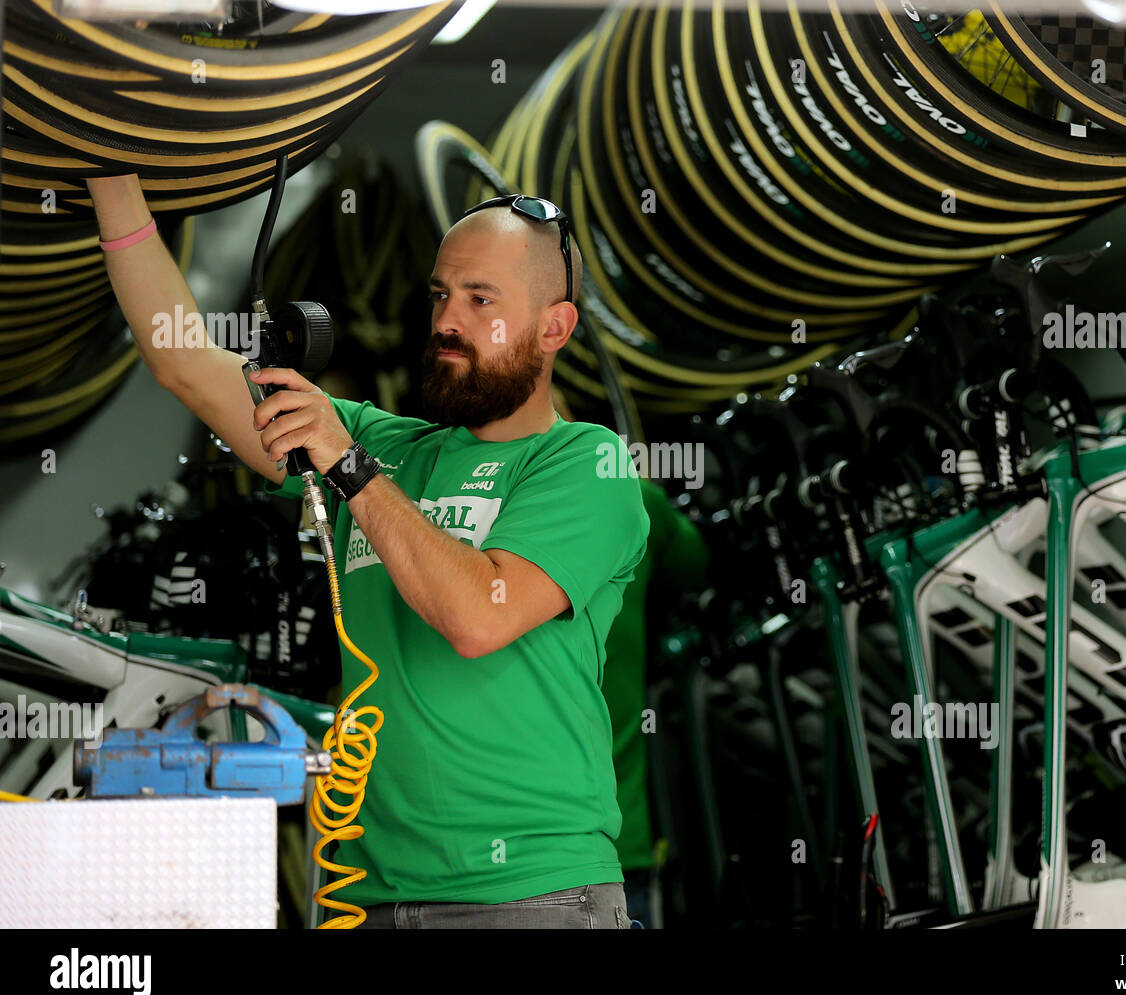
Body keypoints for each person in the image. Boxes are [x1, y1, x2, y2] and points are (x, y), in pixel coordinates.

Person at [88, 175, 649, 930]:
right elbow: (182, 360)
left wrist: (349, 465)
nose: (447, 321)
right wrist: (112, 181)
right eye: (440, 295)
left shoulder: (585, 462)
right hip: (372, 896)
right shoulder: (389, 447)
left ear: (554, 328)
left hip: (530, 895)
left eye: (481, 301)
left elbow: (476, 618)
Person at [551, 390, 710, 929]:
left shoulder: (464, 520)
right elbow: (694, 566)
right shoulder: (631, 496)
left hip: (491, 854)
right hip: (614, 842)